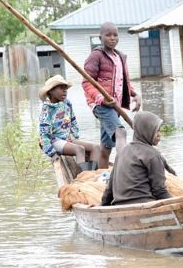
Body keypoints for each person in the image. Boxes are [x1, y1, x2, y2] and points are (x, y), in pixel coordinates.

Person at [82, 22, 140, 169]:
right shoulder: (96, 56)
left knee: (106, 146)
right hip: (100, 104)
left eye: (115, 35)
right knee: (120, 131)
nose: (112, 38)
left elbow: (123, 81)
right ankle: (126, 170)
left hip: (115, 105)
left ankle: (101, 174)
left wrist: (135, 94)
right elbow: (86, 83)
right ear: (100, 37)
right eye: (108, 35)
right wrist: (101, 98)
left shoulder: (119, 56)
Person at [101, 111, 173, 206]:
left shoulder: (122, 151)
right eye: (156, 131)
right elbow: (159, 191)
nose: (160, 135)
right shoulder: (153, 155)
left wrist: (102, 206)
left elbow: (109, 190)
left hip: (119, 206)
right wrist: (177, 202)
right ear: (146, 131)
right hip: (145, 204)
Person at [38, 75, 100, 171]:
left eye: (65, 89)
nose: (65, 91)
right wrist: (52, 153)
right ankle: (84, 178)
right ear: (51, 91)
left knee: (95, 147)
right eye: (61, 88)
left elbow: (73, 121)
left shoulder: (67, 103)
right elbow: (44, 135)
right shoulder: (47, 110)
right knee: (79, 149)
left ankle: (91, 176)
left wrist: (75, 136)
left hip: (67, 139)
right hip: (54, 141)